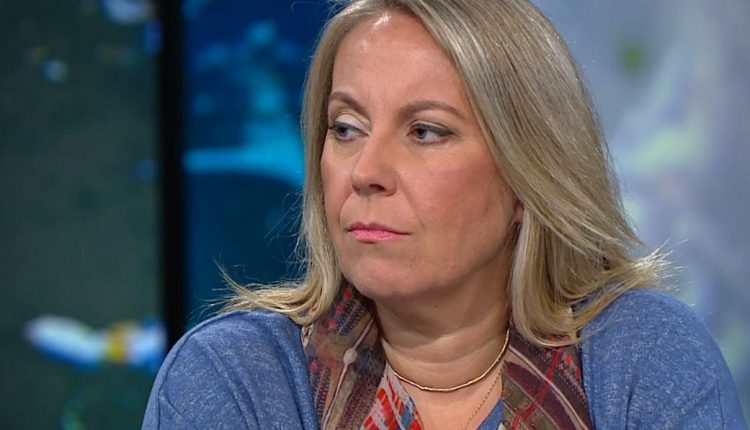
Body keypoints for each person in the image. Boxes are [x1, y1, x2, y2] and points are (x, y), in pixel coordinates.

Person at [142, 0, 746, 428]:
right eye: (346, 128)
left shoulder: (642, 354)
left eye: (425, 132)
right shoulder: (236, 378)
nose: (365, 171)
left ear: (528, 174)